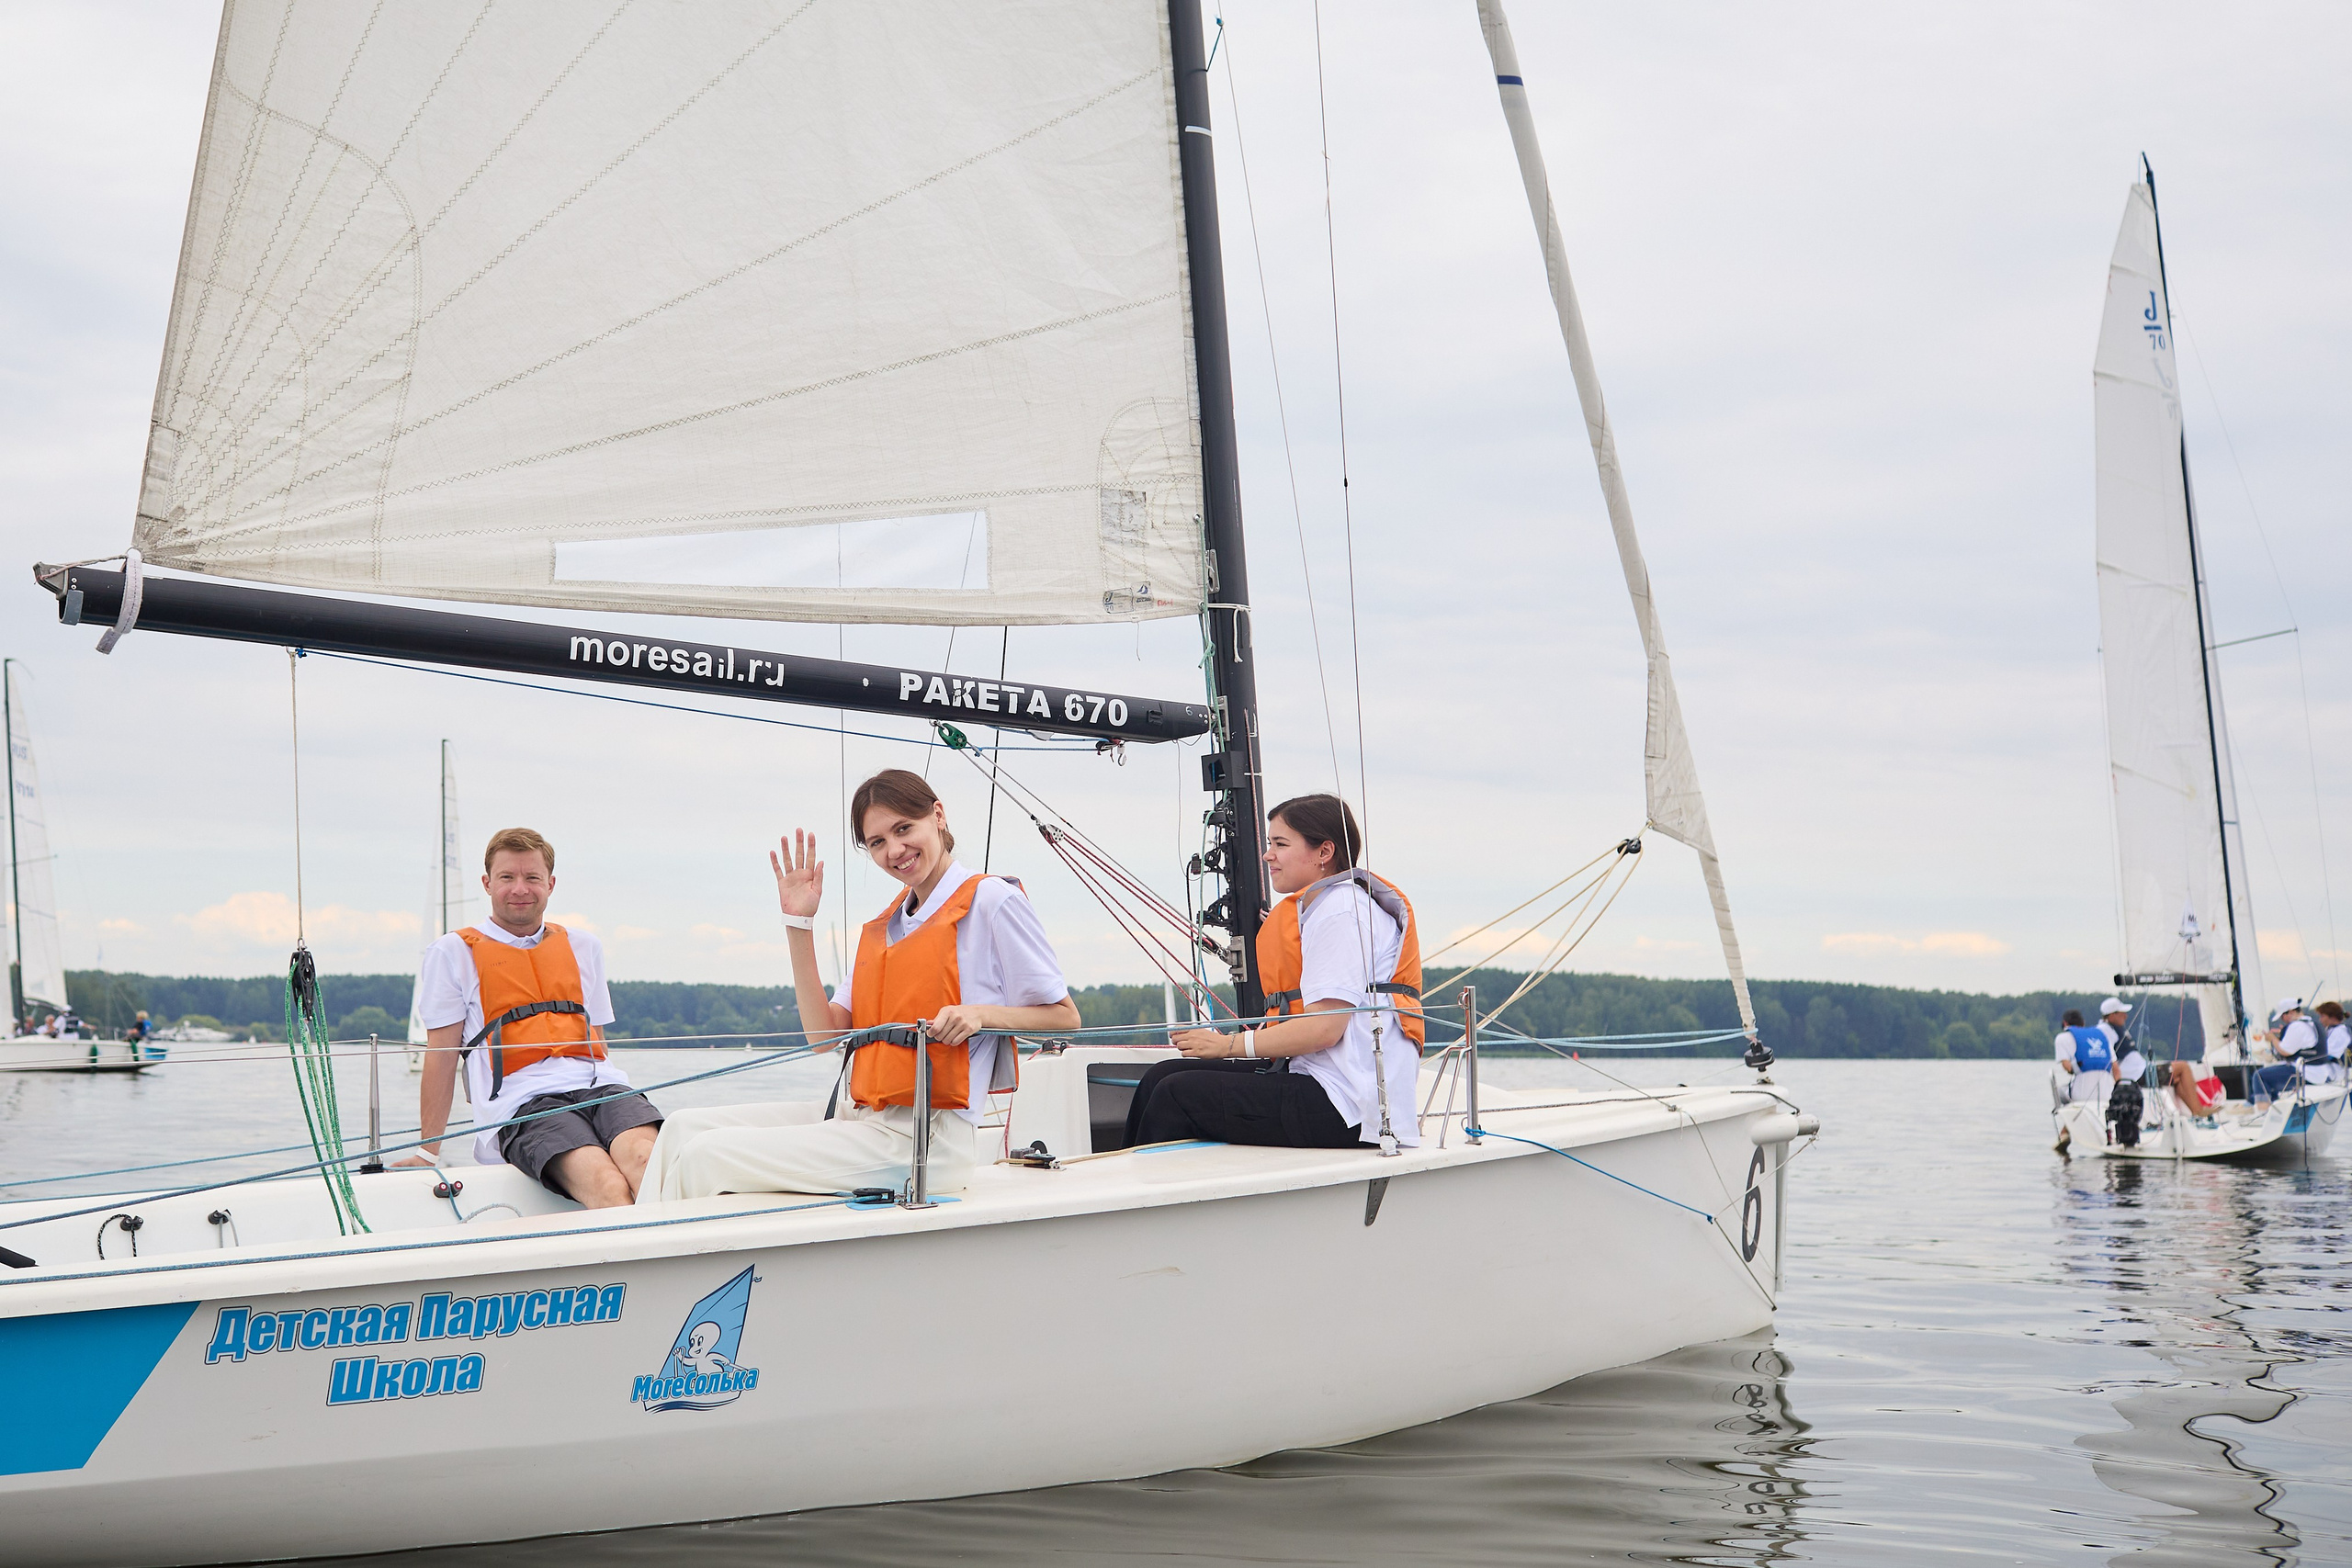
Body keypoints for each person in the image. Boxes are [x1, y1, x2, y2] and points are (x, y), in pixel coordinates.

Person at [642, 770, 1079, 1201]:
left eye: (904, 828)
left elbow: (1064, 1018)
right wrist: (799, 922)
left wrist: (980, 1015)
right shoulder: (889, 925)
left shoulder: (993, 901)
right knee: (682, 1127)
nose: (896, 850)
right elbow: (822, 1037)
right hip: (860, 1116)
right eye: (877, 842)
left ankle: (652, 1267)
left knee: (705, 1156)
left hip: (929, 1140)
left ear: (938, 816)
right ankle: (631, 1254)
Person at [1120, 794, 1424, 1152]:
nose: (1268, 855)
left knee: (1176, 1094)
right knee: (1161, 1076)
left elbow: (1325, 1028)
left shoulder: (1342, 911)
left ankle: (1153, 1199)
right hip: (1325, 1085)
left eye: (1280, 844)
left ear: (1324, 853)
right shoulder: (1328, 906)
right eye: (1269, 843)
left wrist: (1226, 1046)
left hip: (1348, 1109)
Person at [396, 828, 661, 1208]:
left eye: (532, 877)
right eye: (507, 877)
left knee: (649, 1164)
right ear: (487, 884)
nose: (520, 888)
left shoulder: (584, 946)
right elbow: (441, 1055)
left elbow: (597, 1040)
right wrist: (428, 1152)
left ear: (550, 884)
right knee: (606, 1185)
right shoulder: (452, 952)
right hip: (523, 1105)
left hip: (603, 1089)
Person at [2252, 998, 2315, 1103]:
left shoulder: (2296, 1026)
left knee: (2259, 1076)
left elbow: (2285, 1051)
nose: (2282, 1019)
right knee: (2270, 1077)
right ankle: (2274, 1107)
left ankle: (2263, 1112)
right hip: (2314, 1071)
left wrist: (2272, 1038)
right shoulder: (2310, 1023)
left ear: (2291, 1012)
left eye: (2282, 1016)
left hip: (2304, 1073)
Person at [2312, 1001, 2350, 1086]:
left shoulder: (2340, 1032)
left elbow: (2327, 1055)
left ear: (2332, 1017)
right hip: (2327, 1071)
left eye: (2322, 1016)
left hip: (2334, 1073)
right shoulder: (2330, 1030)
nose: (2320, 1020)